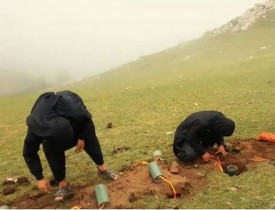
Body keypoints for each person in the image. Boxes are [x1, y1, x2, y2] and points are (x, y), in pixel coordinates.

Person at [23, 90, 118, 201]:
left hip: (76, 119)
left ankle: (102, 169)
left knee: (90, 140)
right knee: (53, 153)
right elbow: (29, 153)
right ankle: (63, 185)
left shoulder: (77, 112)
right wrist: (39, 178)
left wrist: (81, 137)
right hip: (50, 136)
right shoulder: (36, 128)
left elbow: (86, 121)